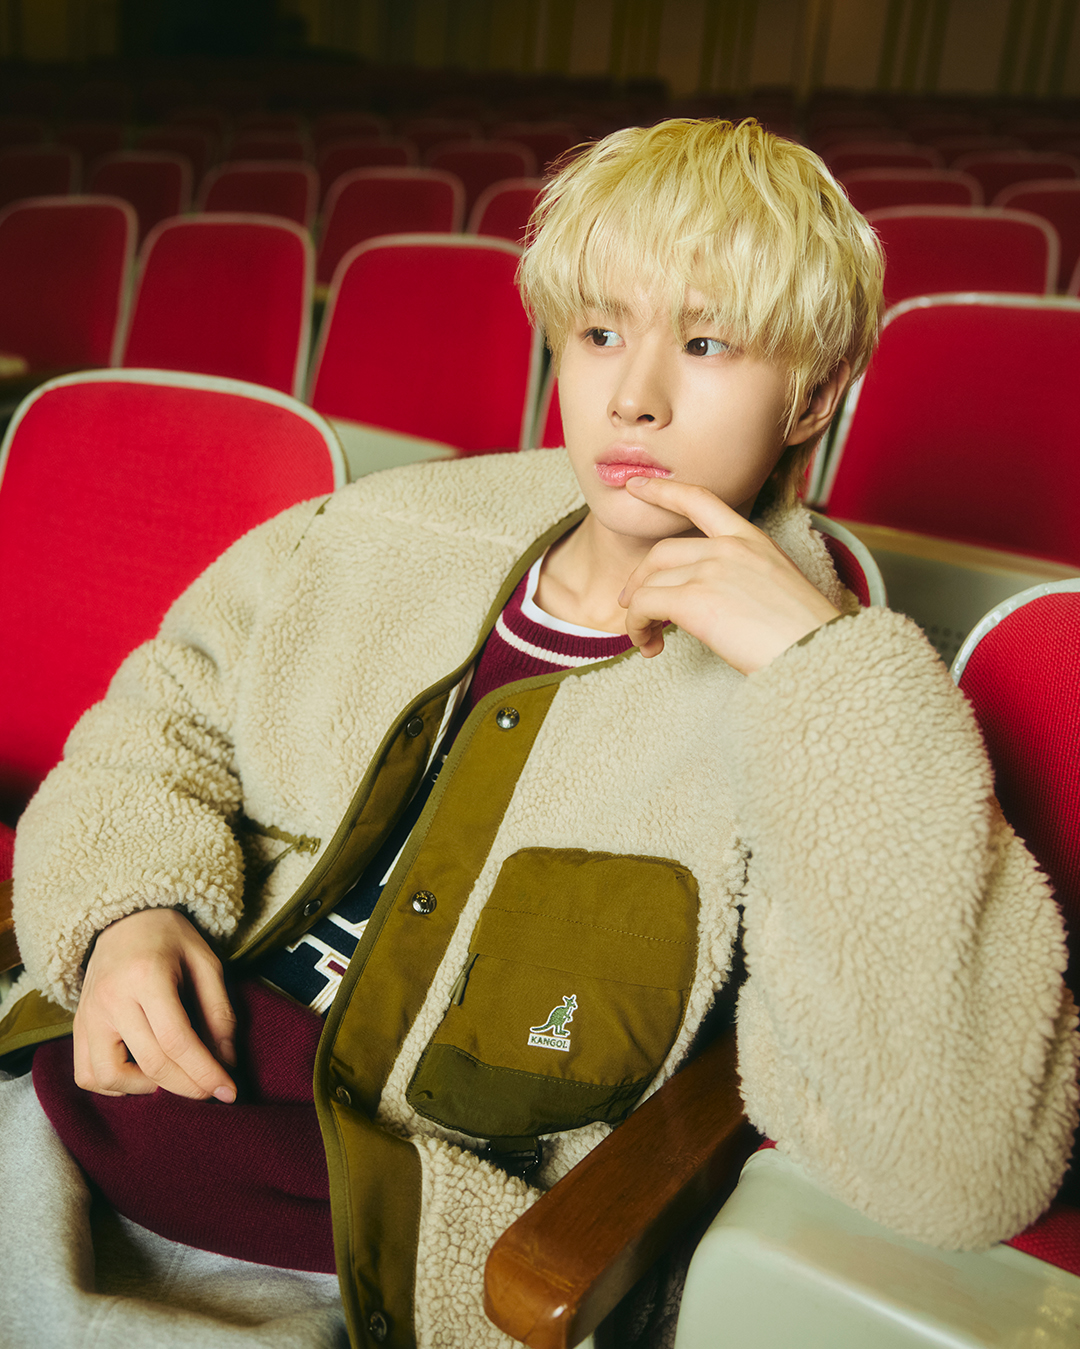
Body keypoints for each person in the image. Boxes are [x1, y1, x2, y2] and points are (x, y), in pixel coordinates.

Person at [1, 118, 1076, 1349]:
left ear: (815, 393)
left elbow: (957, 1160)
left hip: (358, 1266)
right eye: (600, 332)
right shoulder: (371, 531)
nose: (634, 396)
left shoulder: (832, 702)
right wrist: (127, 910)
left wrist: (820, 673)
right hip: (69, 1101)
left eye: (707, 343)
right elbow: (159, 721)